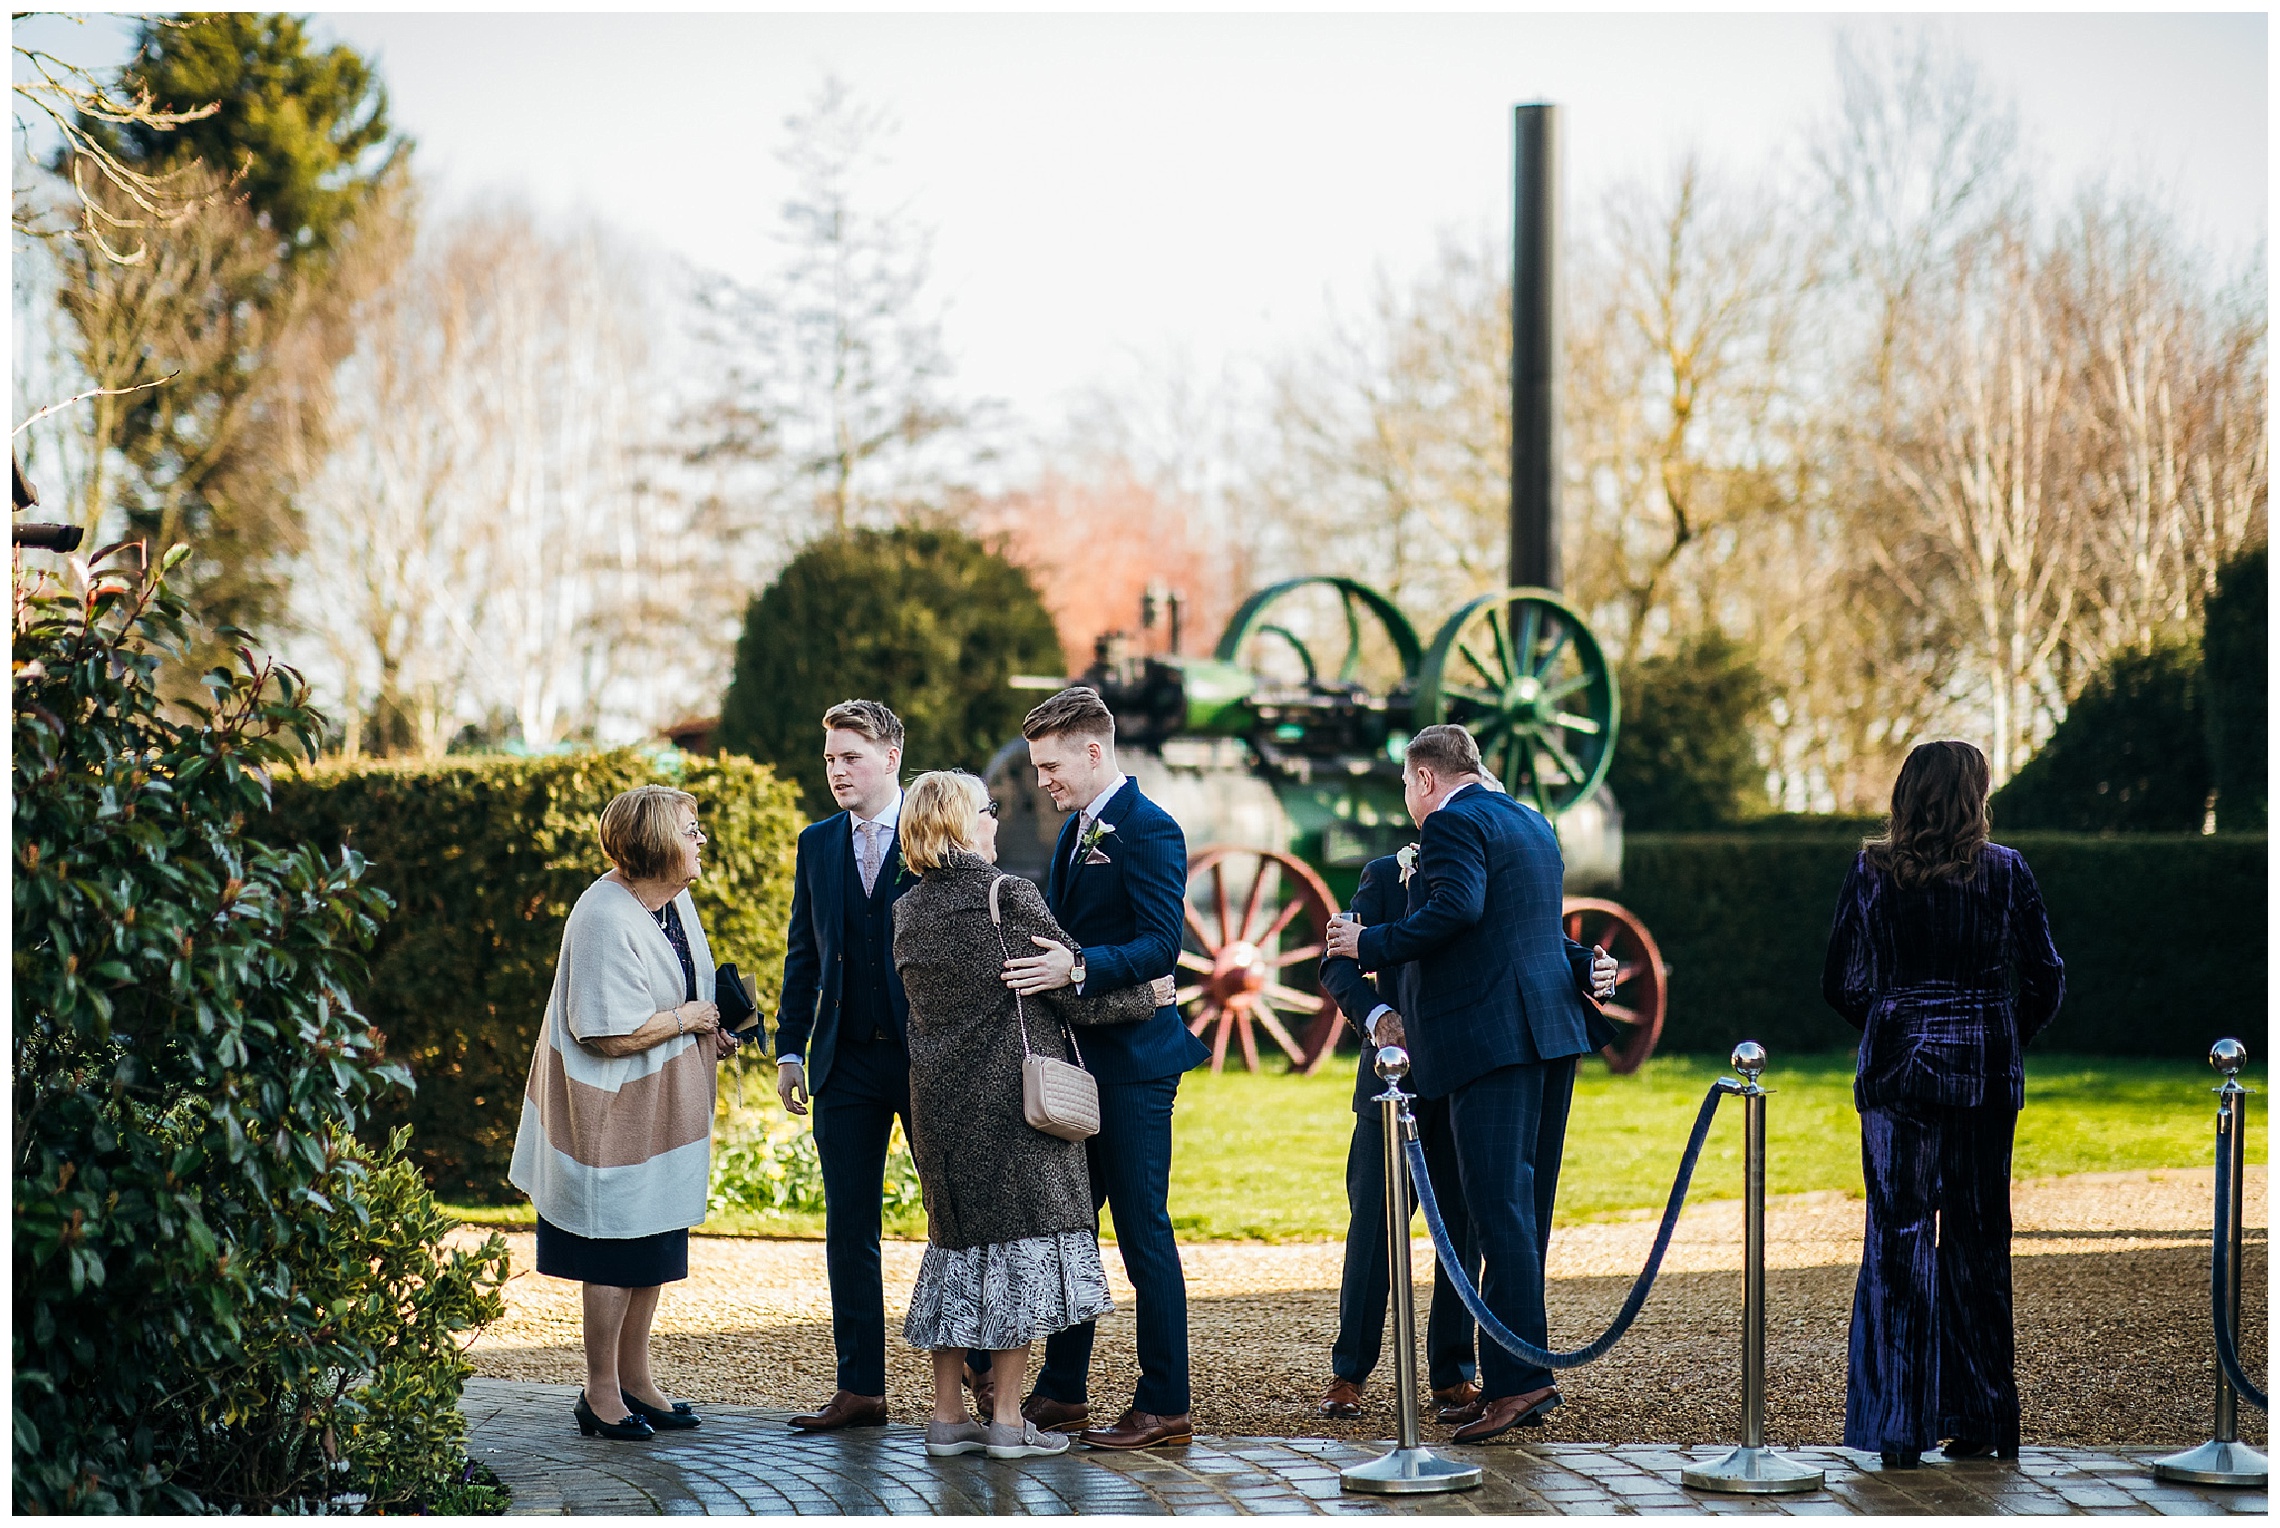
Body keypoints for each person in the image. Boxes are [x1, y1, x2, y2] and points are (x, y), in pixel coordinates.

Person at [1324, 723, 1618, 1442]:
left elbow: (1460, 911)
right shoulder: (1530, 821)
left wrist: (1372, 943)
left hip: (1488, 1043)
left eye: (1405, 785)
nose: (1408, 800)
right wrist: (1583, 970)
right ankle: (1523, 1371)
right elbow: (1531, 932)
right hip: (1550, 1038)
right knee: (1524, 1214)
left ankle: (1518, 1385)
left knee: (1497, 1215)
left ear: (1425, 778)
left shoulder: (1455, 823)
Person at [891, 770, 1159, 1460]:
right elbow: (1063, 988)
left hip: (940, 1107)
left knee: (955, 1253)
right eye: (986, 811)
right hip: (1011, 1104)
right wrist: (1147, 996)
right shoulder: (1006, 895)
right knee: (1016, 1255)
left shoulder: (909, 909)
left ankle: (947, 1418)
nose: (996, 823)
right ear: (958, 822)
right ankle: (1008, 1421)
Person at [1822, 739, 2064, 1470]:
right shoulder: (2007, 870)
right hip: (1986, 1073)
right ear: (1976, 795)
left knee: (1898, 1240)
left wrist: (1894, 1020)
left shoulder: (1873, 870)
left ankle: (1899, 1424)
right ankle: (1984, 1415)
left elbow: (1841, 979)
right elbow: (2046, 976)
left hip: (1901, 1070)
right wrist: (2000, 1034)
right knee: (1979, 1240)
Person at [1000, 685, 1208, 1450]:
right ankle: (1063, 1391)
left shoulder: (1151, 830)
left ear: (1095, 751)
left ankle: (1166, 1404)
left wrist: (1076, 967)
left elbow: (1161, 944)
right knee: (1070, 1228)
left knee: (1143, 1231)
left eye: (1052, 765)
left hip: (1137, 1063)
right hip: (1082, 1060)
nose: (1043, 779)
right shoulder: (1077, 828)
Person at [773, 699, 991, 1430]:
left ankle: (987, 1379)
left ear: (892, 758)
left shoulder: (935, 833)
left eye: (851, 758)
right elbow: (804, 953)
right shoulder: (816, 843)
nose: (837, 770)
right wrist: (789, 1047)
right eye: (830, 758)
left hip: (930, 1058)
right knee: (848, 1228)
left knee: (956, 1218)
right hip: (844, 1063)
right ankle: (860, 1386)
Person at [510, 784, 737, 1441]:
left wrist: (711, 1026)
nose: (701, 841)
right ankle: (600, 1392)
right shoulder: (603, 914)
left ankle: (638, 1380)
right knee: (612, 1250)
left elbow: (687, 991)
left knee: (654, 1246)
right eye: (690, 830)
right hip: (609, 1114)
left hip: (664, 1112)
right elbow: (603, 1031)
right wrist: (684, 1020)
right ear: (657, 844)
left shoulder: (674, 902)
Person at [1317, 847, 1486, 1426]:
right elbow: (1336, 963)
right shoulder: (1386, 874)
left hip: (1464, 1079)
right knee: (1372, 1229)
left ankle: (1453, 1375)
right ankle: (1349, 1373)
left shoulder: (1482, 874)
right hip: (1391, 1081)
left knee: (1460, 1229)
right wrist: (1376, 1016)